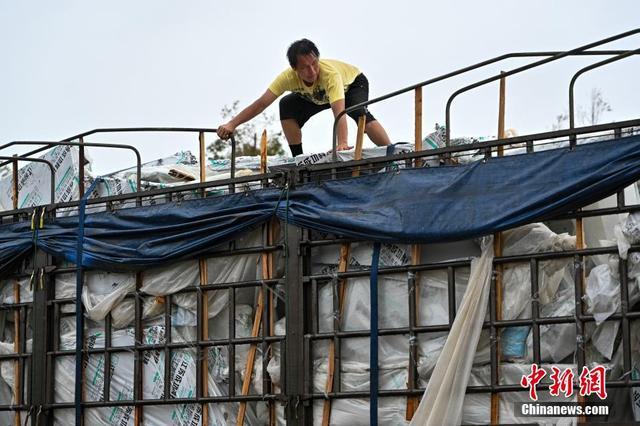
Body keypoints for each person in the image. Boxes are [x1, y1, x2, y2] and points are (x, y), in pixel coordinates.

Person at [216, 39, 391, 156]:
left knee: (358, 111)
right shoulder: (287, 78)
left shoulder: (330, 75)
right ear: (294, 69)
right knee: (286, 104)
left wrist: (342, 143)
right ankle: (298, 158)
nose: (312, 71)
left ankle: (393, 154)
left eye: (314, 64)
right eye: (305, 68)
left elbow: (340, 112)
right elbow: (261, 104)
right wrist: (232, 124)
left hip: (351, 85)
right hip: (316, 97)